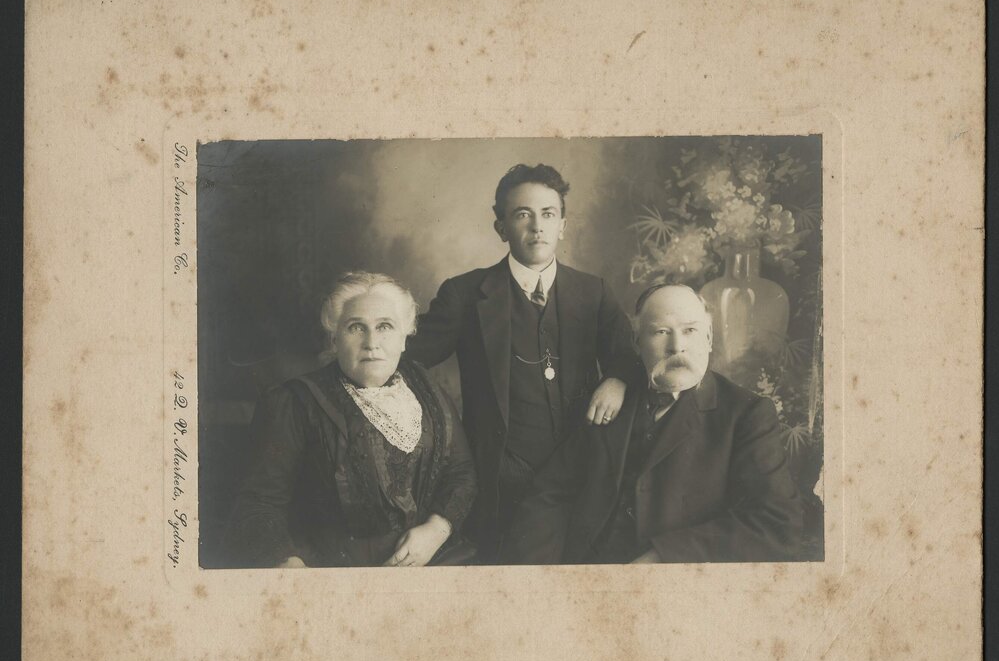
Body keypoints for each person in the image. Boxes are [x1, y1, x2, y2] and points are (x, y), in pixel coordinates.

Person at [406, 164, 638, 560]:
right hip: (501, 476)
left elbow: (629, 357)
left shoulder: (592, 292)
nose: (537, 227)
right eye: (522, 215)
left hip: (579, 468)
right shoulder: (465, 294)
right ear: (501, 229)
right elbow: (410, 356)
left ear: (563, 225)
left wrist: (616, 378)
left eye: (548, 214)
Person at [504, 283, 803, 565]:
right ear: (636, 342)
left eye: (690, 331)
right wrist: (539, 575)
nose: (677, 346)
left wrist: (664, 558)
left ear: (709, 338)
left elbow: (777, 523)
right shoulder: (610, 399)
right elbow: (550, 493)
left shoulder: (746, 414)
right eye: (661, 332)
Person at [226, 272, 477, 568]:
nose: (372, 343)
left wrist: (436, 531)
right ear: (334, 339)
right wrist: (289, 565)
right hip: (335, 573)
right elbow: (258, 504)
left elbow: (462, 472)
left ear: (404, 338)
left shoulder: (428, 390)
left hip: (432, 558)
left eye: (385, 326)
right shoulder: (294, 403)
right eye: (356, 328)